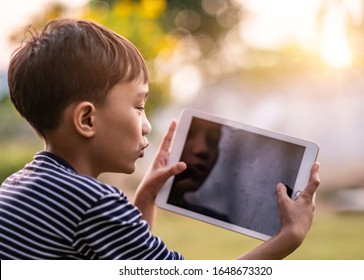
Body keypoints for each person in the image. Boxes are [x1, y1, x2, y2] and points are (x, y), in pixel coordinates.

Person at [0, 18, 320, 260]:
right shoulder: (94, 203)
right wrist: (288, 237)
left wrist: (145, 198)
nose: (146, 126)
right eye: (138, 107)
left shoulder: (16, 186)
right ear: (86, 119)